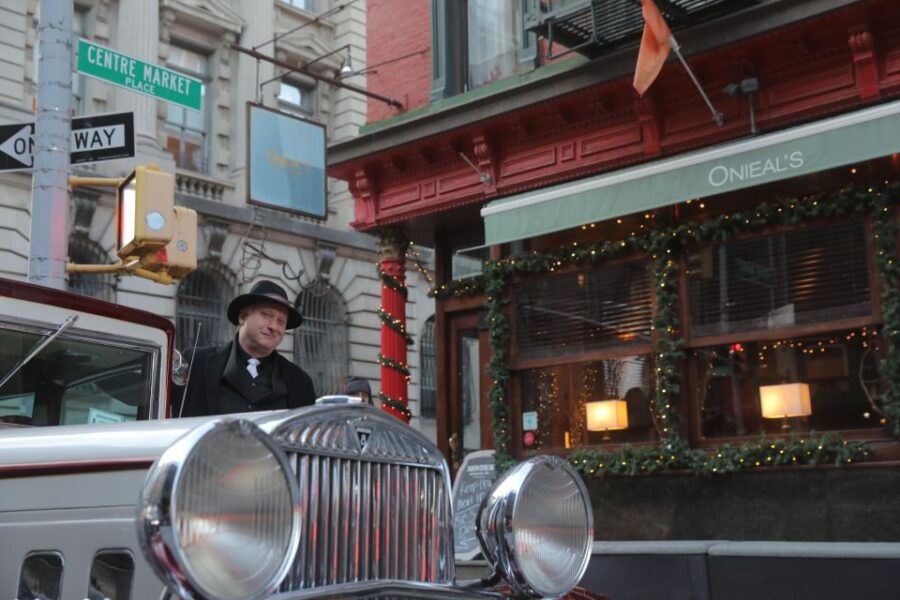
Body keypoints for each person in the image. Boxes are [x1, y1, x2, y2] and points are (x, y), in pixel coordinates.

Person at [178, 280, 317, 417]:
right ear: (243, 317)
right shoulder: (196, 362)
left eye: (281, 321)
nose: (273, 326)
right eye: (266, 315)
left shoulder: (300, 382)